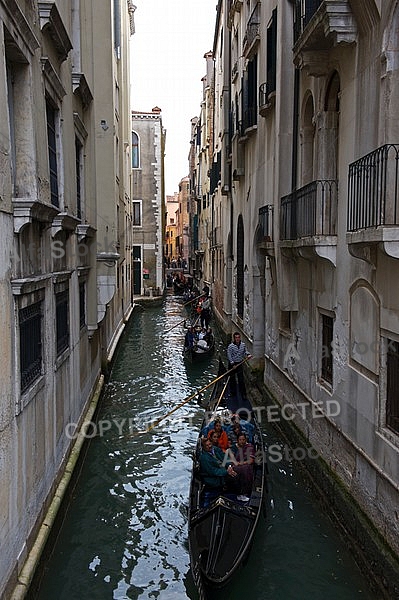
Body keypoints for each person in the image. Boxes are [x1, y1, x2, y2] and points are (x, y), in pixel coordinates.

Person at [227, 332, 252, 400]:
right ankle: (233, 393)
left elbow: (244, 352)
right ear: (234, 338)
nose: (237, 339)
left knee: (241, 380)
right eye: (236, 337)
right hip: (232, 364)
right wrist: (232, 364)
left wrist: (248, 355)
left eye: (238, 337)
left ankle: (243, 394)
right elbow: (229, 356)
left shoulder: (243, 345)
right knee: (232, 379)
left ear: (239, 338)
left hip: (240, 363)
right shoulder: (230, 346)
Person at [231, 432, 255, 501]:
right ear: (237, 440)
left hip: (246, 466)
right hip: (235, 465)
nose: (242, 441)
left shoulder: (249, 447)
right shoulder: (233, 447)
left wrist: (240, 463)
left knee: (246, 469)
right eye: (240, 440)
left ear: (246, 440)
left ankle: (244, 492)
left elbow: (251, 461)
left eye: (243, 439)